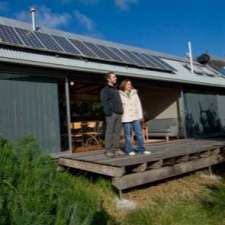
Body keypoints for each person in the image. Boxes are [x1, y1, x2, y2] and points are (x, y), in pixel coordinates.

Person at [119, 79, 151, 156]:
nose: (130, 86)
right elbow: (119, 107)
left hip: (135, 117)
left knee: (139, 134)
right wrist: (121, 116)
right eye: (128, 84)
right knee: (128, 135)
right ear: (124, 85)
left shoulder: (135, 93)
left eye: (130, 84)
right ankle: (129, 150)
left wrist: (140, 116)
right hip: (126, 118)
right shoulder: (120, 94)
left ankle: (142, 150)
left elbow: (138, 105)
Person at [100, 72, 125, 158]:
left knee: (117, 132)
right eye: (114, 77)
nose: (116, 78)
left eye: (115, 77)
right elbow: (104, 102)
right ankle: (108, 150)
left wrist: (121, 111)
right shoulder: (105, 90)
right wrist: (108, 113)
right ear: (108, 79)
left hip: (119, 113)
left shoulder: (115, 89)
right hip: (111, 114)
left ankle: (116, 149)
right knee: (109, 132)